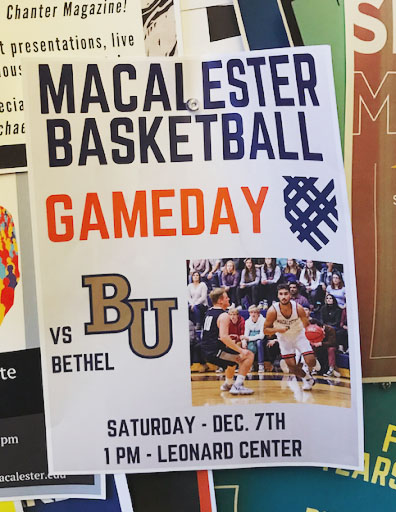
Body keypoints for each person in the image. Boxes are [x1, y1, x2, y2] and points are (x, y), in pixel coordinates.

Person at [201, 288, 254, 395]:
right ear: (220, 300)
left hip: (205, 349)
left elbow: (212, 333)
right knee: (248, 355)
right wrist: (241, 350)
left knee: (233, 358)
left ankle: (228, 383)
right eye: (226, 297)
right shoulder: (224, 315)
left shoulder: (209, 312)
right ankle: (238, 386)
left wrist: (229, 337)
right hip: (214, 351)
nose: (229, 299)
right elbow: (224, 337)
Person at [264, 284, 316, 390]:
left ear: (290, 295)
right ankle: (307, 378)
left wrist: (313, 336)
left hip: (299, 335)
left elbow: (306, 325)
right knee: (292, 368)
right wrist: (278, 330)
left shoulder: (298, 308)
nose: (283, 297)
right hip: (284, 338)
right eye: (281, 294)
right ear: (278, 296)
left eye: (286, 294)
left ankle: (306, 367)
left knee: (311, 361)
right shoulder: (272, 311)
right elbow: (265, 330)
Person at [241, 305, 265, 373]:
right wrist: (244, 341)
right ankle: (249, 365)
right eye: (251, 312)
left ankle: (261, 365)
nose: (253, 314)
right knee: (245, 344)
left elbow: (261, 336)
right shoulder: (247, 322)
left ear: (258, 313)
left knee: (259, 343)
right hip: (251, 338)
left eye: (255, 312)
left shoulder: (263, 321)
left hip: (261, 339)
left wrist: (248, 338)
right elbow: (246, 334)